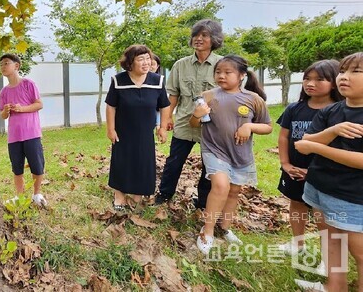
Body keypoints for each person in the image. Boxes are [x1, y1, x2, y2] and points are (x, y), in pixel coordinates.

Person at [294, 52, 363, 292]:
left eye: (356, 71)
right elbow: (304, 141)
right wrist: (334, 130)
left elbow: (310, 145)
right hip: (320, 188)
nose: (345, 77)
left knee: (359, 252)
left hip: (353, 197)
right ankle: (335, 287)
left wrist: (316, 147)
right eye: (343, 71)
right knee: (330, 239)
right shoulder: (331, 112)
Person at [191, 55, 272, 255]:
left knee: (234, 192)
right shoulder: (208, 95)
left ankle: (224, 228)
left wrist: (249, 126)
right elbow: (193, 124)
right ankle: (207, 231)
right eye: (218, 72)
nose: (221, 76)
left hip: (240, 153)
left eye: (227, 72)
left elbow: (268, 127)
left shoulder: (253, 99)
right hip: (214, 149)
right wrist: (197, 115)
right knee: (220, 186)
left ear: (242, 75)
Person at [276, 60, 341, 268]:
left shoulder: (340, 112)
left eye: (319, 79)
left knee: (322, 215)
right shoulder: (294, 108)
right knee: (296, 204)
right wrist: (285, 163)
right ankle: (298, 243)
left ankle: (327, 259)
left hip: (325, 173)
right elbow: (284, 137)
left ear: (334, 82)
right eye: (307, 78)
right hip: (294, 170)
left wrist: (311, 171)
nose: (310, 83)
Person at [155, 19, 224, 208]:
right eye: (196, 35)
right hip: (185, 123)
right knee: (174, 162)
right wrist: (167, 118)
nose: (199, 39)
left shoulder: (223, 65)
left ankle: (202, 202)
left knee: (209, 166)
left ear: (214, 39)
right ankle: (164, 195)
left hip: (212, 126)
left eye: (204, 35)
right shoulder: (180, 65)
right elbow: (174, 94)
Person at [105, 45, 171, 210]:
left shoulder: (157, 81)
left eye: (148, 58)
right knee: (122, 162)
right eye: (141, 59)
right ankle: (119, 195)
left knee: (143, 163)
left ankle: (137, 196)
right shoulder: (118, 80)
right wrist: (110, 129)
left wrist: (162, 127)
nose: (146, 62)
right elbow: (110, 106)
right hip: (123, 132)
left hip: (145, 133)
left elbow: (165, 106)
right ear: (130, 62)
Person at [0, 54, 47, 206]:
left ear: (16, 66)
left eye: (6, 63)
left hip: (31, 133)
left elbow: (39, 104)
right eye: (1, 65)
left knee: (37, 165)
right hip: (14, 137)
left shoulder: (28, 84)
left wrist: (22, 108)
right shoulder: (3, 92)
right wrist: (6, 110)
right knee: (17, 168)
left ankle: (37, 194)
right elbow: (3, 115)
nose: (3, 66)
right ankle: (20, 197)